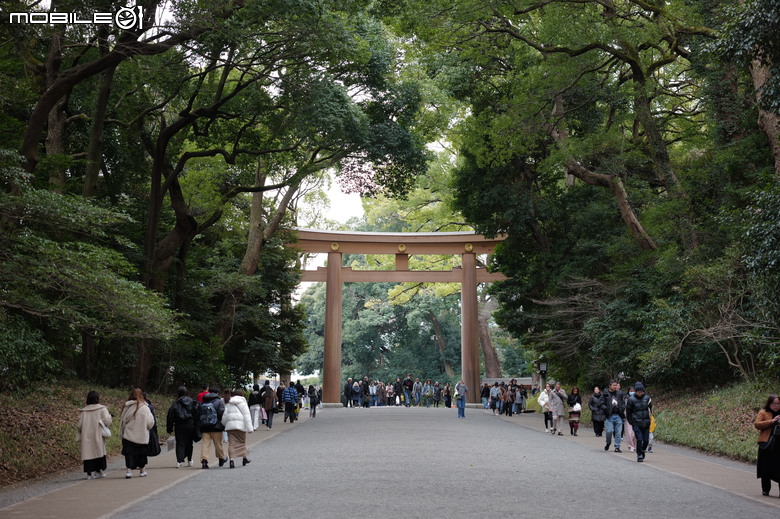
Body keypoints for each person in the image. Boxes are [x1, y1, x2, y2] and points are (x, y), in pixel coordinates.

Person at [119, 388, 154, 479]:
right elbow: (150, 423)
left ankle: (129, 471)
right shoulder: (145, 408)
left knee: (129, 453)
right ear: (141, 395)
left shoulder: (127, 407)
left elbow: (122, 420)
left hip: (129, 434)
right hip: (142, 435)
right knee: (141, 454)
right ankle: (142, 470)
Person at [77, 391, 112, 479]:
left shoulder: (83, 411)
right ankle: (98, 471)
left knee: (88, 453)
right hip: (98, 435)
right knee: (98, 452)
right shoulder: (102, 409)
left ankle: (89, 474)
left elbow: (79, 425)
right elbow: (108, 421)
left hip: (86, 436)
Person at [754, 394, 780, 496]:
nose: (776, 406)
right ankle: (766, 489)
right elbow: (757, 425)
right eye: (774, 403)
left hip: (779, 445)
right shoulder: (763, 412)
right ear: (769, 403)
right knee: (766, 467)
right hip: (767, 445)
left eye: (778, 403)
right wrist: (772, 421)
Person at [166, 386, 198, 468]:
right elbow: (195, 413)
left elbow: (170, 416)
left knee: (180, 443)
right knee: (189, 442)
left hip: (179, 425)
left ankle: (179, 461)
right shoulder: (192, 402)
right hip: (190, 424)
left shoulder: (175, 403)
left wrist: (169, 428)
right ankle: (190, 460)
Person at [222, 389, 252, 468]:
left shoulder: (229, 404)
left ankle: (231, 460)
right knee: (242, 442)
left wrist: (224, 424)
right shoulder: (243, 403)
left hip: (230, 427)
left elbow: (224, 416)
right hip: (241, 426)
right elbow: (247, 416)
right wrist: (250, 428)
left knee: (232, 444)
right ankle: (244, 458)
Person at [198, 387, 227, 469]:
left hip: (205, 427)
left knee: (205, 444)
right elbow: (221, 413)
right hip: (216, 426)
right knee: (218, 444)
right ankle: (221, 458)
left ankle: (204, 460)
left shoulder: (203, 401)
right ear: (217, 393)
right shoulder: (219, 402)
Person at [625, 382, 652, 462]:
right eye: (638, 391)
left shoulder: (647, 398)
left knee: (646, 440)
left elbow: (650, 410)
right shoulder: (631, 399)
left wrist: (650, 419)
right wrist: (631, 421)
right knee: (639, 439)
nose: (640, 393)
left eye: (641, 391)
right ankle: (639, 454)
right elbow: (628, 411)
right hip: (636, 422)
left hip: (646, 423)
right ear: (636, 391)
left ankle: (643, 450)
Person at [602, 379, 626, 453]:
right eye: (614, 385)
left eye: (616, 385)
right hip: (609, 416)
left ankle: (617, 446)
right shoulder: (605, 394)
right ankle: (608, 442)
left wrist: (622, 408)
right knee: (609, 431)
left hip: (618, 415)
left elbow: (623, 401)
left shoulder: (619, 393)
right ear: (610, 385)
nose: (615, 387)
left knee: (618, 433)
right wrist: (606, 408)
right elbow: (601, 403)